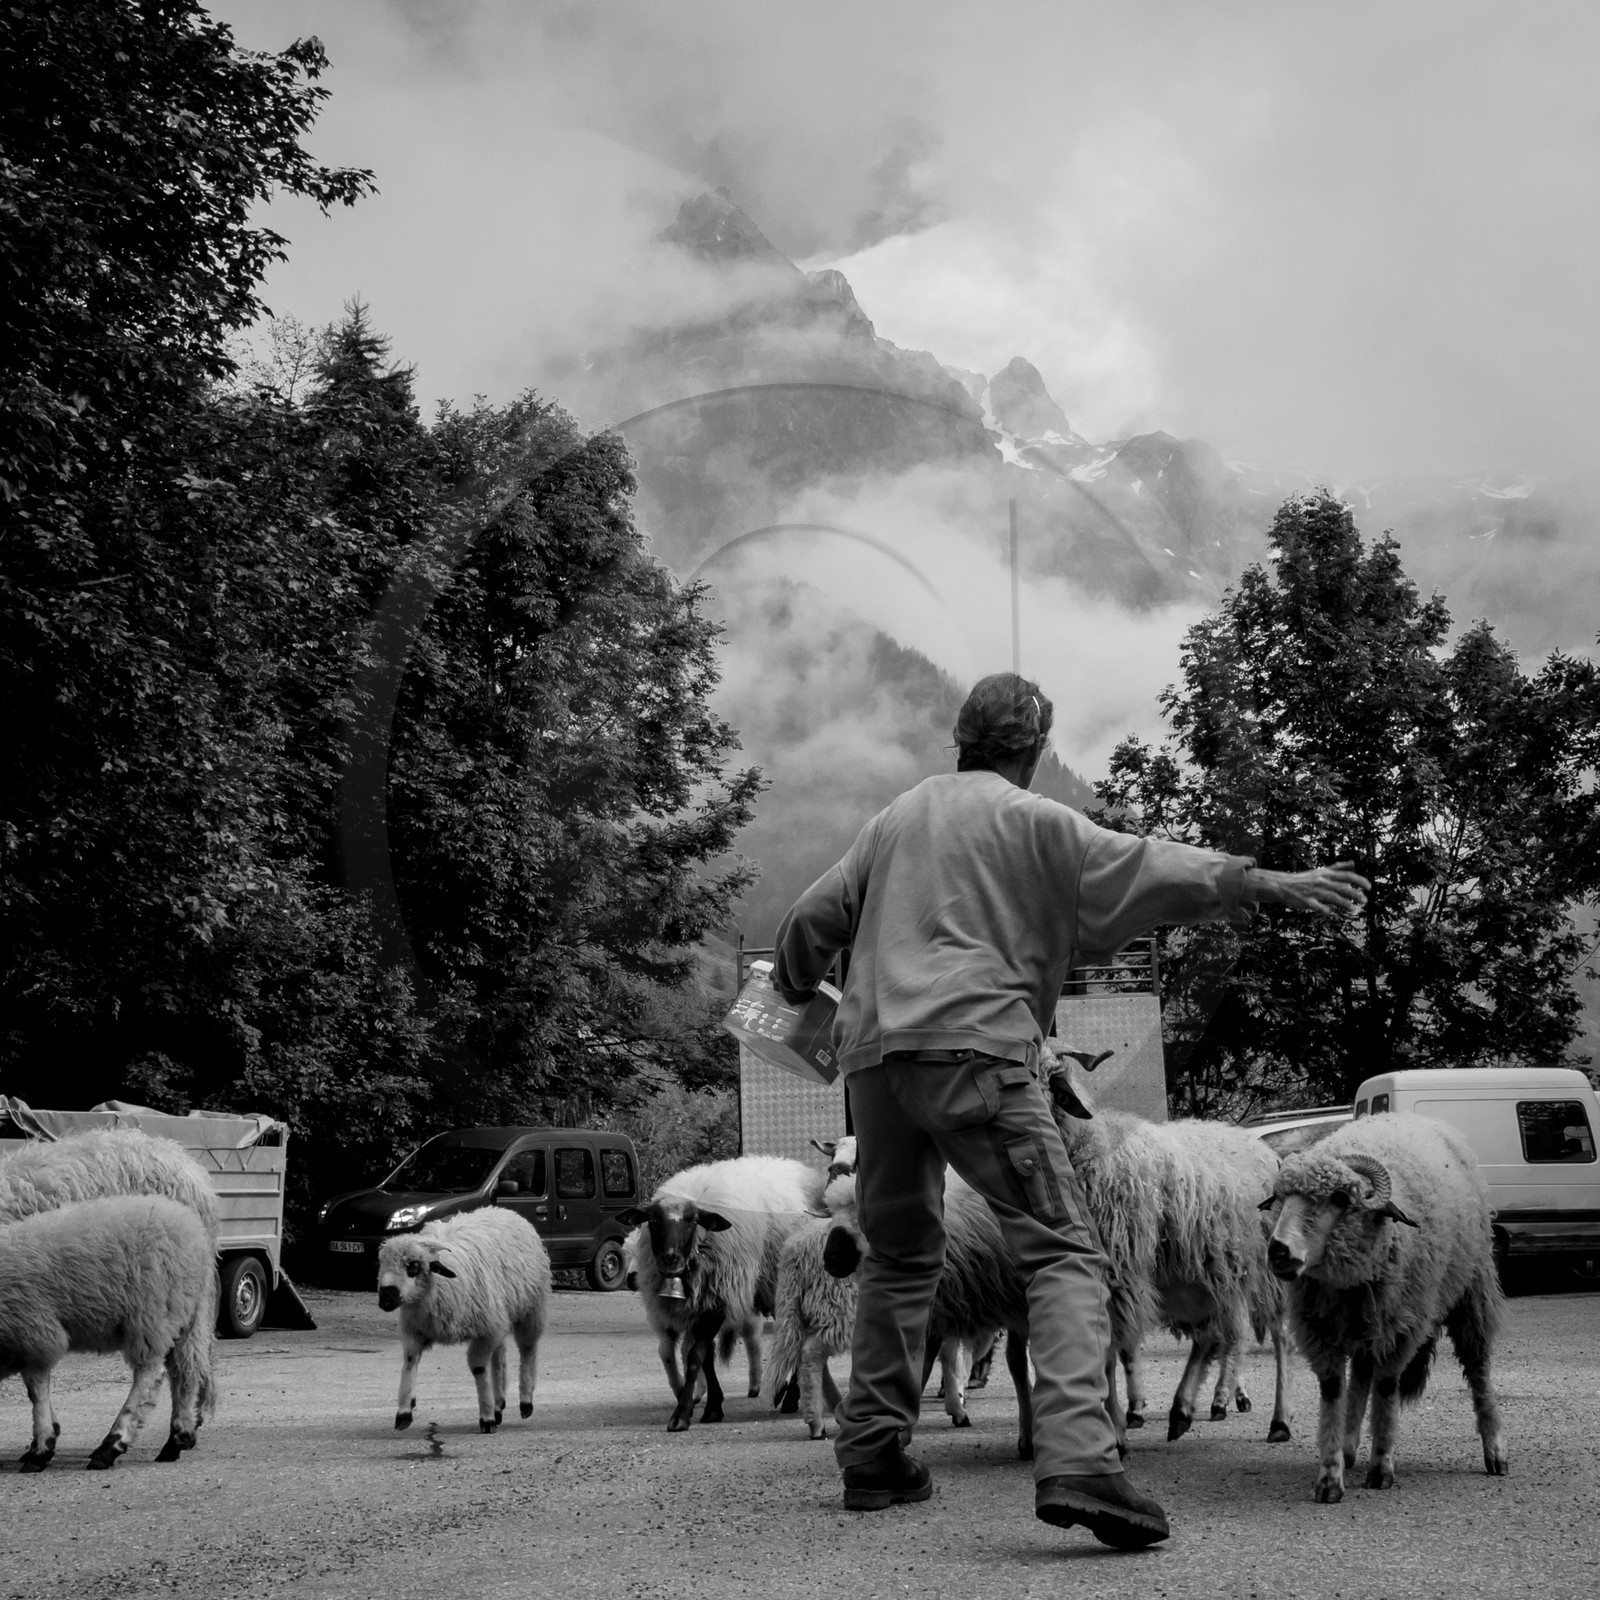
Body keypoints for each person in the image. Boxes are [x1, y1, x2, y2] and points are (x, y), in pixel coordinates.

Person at [772, 672, 1369, 1549]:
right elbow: (1144, 864)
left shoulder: (893, 821)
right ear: (1035, 749)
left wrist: (795, 985)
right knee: (1063, 1254)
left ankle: (873, 1454)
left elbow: (806, 921)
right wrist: (1265, 883)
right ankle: (1082, 1462)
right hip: (977, 1053)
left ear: (961, 741)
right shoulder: (1035, 821)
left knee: (900, 1258)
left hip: (873, 1065)